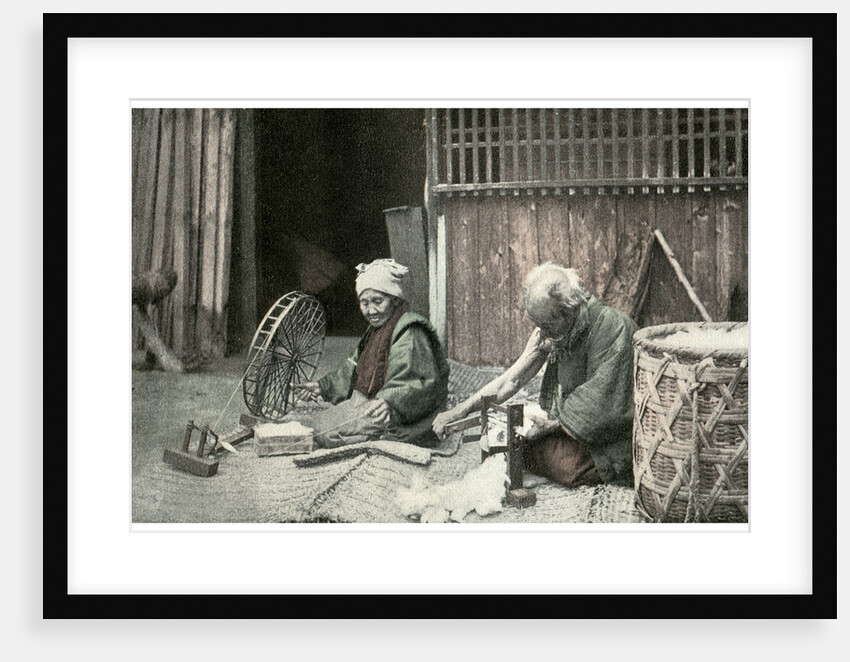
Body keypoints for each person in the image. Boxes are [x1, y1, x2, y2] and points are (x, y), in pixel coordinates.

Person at [432, 262, 636, 487]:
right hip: (570, 426)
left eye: (548, 325)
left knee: (557, 460)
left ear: (570, 310)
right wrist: (456, 413)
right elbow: (511, 379)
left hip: (609, 439)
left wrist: (552, 425)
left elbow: (602, 404)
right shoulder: (554, 331)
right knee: (511, 437)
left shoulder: (612, 326)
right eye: (538, 325)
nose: (542, 333)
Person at [293, 258, 450, 449]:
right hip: (370, 402)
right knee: (317, 424)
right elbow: (353, 366)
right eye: (364, 303)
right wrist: (322, 387)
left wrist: (391, 402)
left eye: (378, 301)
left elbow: (418, 380)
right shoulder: (377, 329)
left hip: (397, 413)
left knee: (326, 434)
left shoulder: (410, 331)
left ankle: (386, 438)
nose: (371, 310)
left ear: (395, 300)